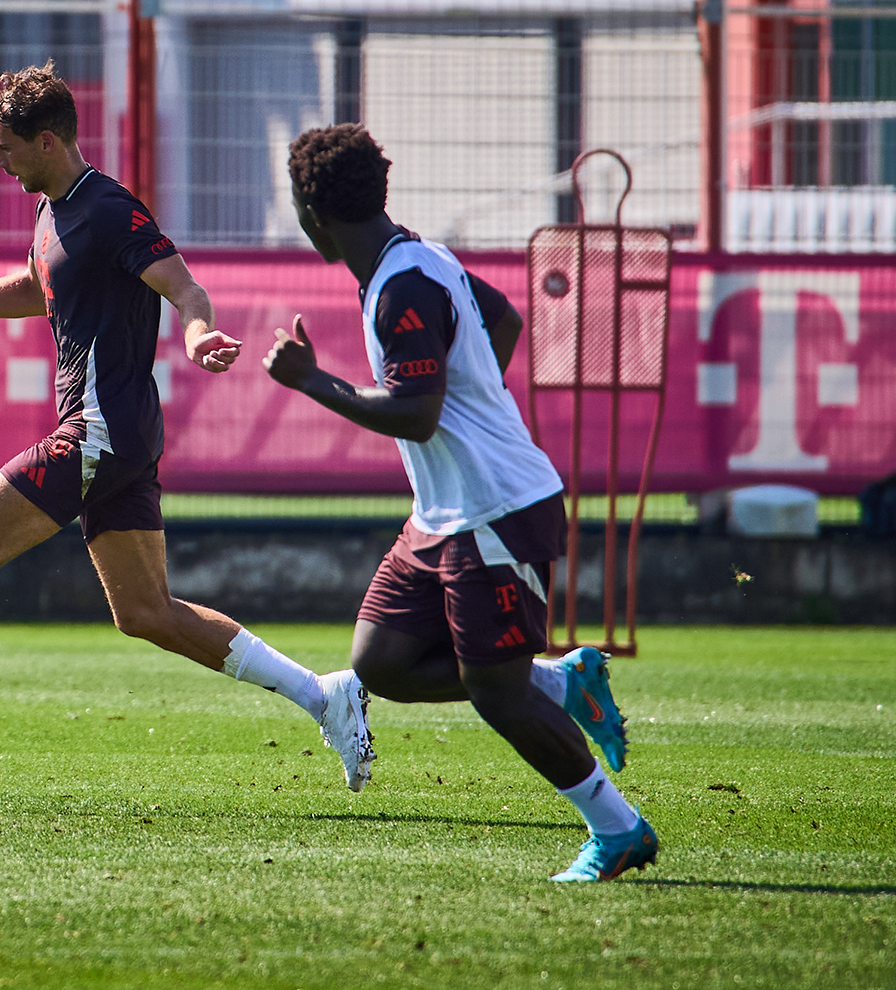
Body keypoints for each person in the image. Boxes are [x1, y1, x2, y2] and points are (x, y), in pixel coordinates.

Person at [0, 62, 374, 804]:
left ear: (49, 141)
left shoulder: (110, 209)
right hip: (121, 436)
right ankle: (325, 696)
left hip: (99, 431)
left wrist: (195, 335)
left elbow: (184, 286)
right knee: (145, 612)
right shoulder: (54, 211)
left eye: (5, 146)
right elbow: (38, 287)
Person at [261, 123, 653, 883]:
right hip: (444, 516)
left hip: (496, 512)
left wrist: (314, 381)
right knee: (382, 660)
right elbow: (501, 321)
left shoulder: (403, 283)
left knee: (494, 693)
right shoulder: (415, 256)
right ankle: (563, 680)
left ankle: (619, 828)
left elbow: (416, 413)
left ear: (314, 213)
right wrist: (472, 412)